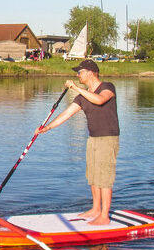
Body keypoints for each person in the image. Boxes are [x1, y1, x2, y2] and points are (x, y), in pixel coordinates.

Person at [37, 59, 119, 225]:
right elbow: (67, 114)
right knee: (93, 176)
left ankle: (104, 216)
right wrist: (47, 128)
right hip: (93, 139)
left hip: (108, 138)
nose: (77, 75)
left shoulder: (107, 87)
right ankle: (96, 209)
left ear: (90, 72)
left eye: (80, 72)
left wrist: (75, 88)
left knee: (104, 177)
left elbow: (100, 100)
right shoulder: (83, 96)